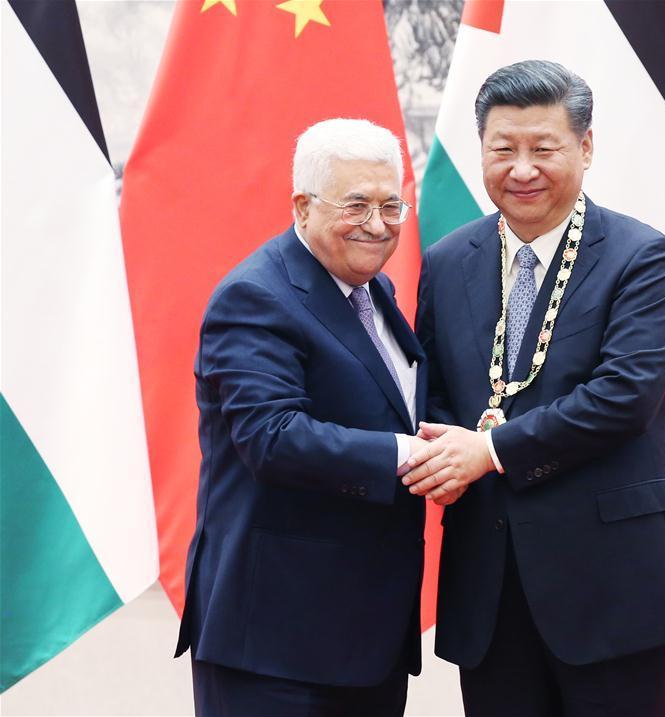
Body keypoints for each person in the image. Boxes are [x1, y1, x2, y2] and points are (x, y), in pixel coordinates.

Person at [406, 60, 665, 716]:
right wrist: (436, 454)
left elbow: (622, 395)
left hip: (612, 586)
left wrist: (486, 453)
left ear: (585, 146)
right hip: (487, 586)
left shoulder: (642, 257)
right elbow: (431, 390)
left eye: (543, 148)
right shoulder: (445, 260)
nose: (521, 169)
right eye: (502, 149)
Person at [175, 118, 427, 717]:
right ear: (303, 206)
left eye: (392, 205)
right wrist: (410, 454)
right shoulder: (257, 296)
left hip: (366, 637)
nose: (377, 224)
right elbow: (272, 436)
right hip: (275, 644)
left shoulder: (373, 289)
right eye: (357, 204)